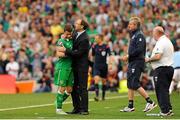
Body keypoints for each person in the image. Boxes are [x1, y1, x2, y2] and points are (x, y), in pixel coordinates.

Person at [120, 17, 156, 112]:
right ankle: (130, 106)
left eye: (131, 24)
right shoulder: (134, 35)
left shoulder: (139, 35)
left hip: (137, 62)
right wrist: (129, 58)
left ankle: (150, 102)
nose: (129, 26)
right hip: (133, 62)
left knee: (134, 83)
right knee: (129, 83)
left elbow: (139, 50)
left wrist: (128, 56)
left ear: (135, 25)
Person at [58, 19, 90, 115]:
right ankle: (77, 108)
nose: (75, 24)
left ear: (82, 26)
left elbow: (79, 53)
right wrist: (63, 37)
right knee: (73, 87)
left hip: (82, 66)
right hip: (74, 66)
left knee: (83, 88)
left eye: (77, 23)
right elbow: (67, 38)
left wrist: (66, 50)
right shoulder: (75, 33)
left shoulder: (85, 38)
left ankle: (84, 109)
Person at [146, 26, 174, 116]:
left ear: (157, 33)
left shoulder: (161, 42)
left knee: (161, 90)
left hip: (161, 69)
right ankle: (168, 109)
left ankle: (165, 111)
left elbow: (158, 56)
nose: (152, 34)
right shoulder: (167, 41)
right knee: (165, 90)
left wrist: (148, 59)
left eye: (153, 32)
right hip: (168, 68)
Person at [54, 24, 74, 115]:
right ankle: (58, 108)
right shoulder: (61, 41)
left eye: (70, 34)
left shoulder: (72, 40)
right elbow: (59, 54)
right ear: (64, 32)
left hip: (71, 67)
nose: (68, 35)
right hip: (63, 67)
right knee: (62, 87)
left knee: (69, 90)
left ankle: (58, 101)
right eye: (67, 34)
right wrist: (70, 53)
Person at [92, 34, 111, 101]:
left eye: (96, 38)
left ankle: (103, 97)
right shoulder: (94, 46)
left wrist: (110, 64)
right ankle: (97, 96)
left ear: (100, 39)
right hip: (96, 65)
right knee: (96, 79)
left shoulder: (106, 46)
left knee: (104, 81)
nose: (95, 39)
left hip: (104, 66)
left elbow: (110, 55)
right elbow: (93, 55)